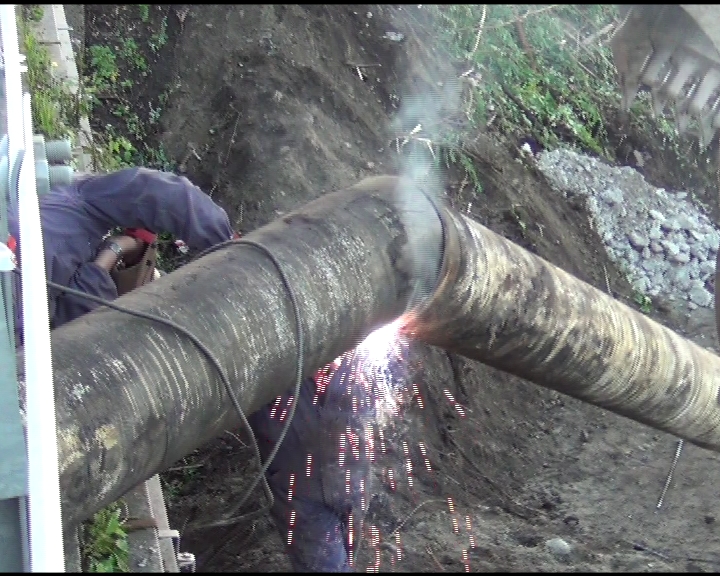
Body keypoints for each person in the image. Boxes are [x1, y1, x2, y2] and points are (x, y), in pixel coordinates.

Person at [6, 166, 237, 344]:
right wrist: (111, 254)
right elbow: (164, 195)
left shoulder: (78, 202)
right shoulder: (84, 205)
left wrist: (110, 256)